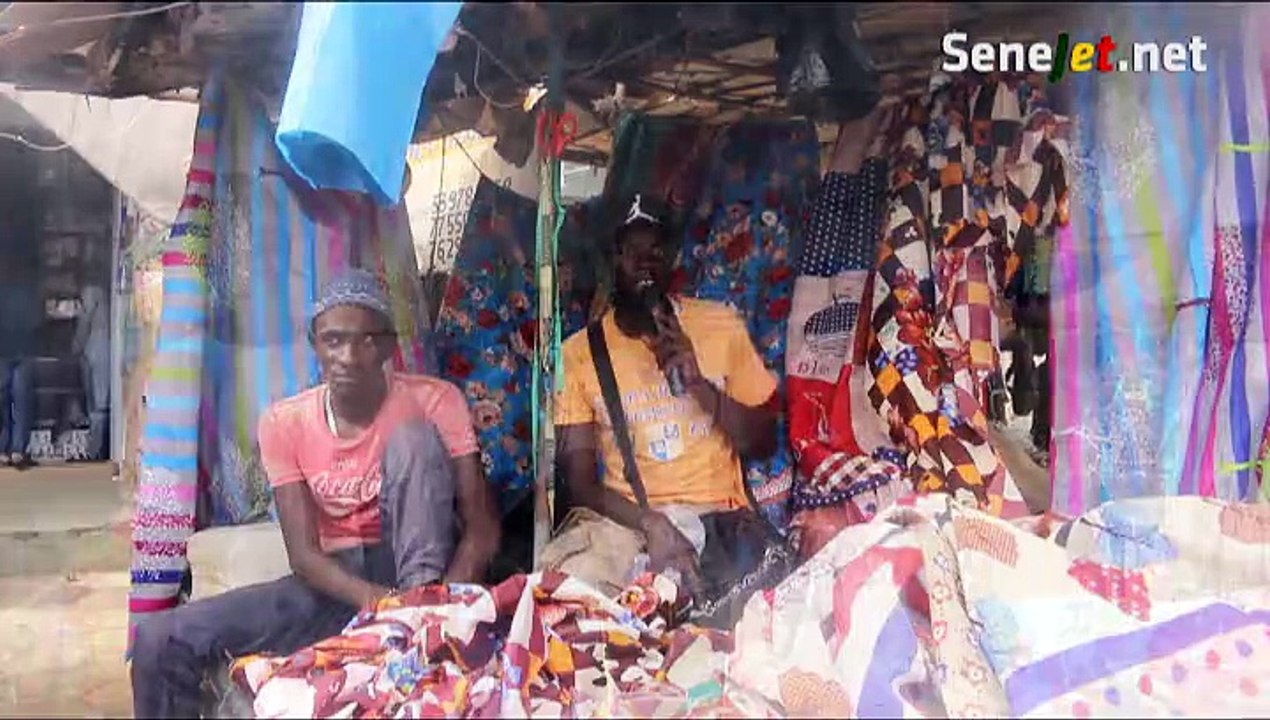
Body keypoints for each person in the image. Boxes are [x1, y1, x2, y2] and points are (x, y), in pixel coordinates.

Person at [131, 268, 500, 718]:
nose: (348, 355)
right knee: (159, 639)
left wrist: (443, 604)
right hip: (338, 583)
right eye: (333, 340)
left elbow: (481, 530)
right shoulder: (285, 423)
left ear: (387, 346)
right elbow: (304, 556)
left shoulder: (436, 400)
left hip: (422, 573)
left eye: (365, 340)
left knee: (412, 437)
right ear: (315, 345)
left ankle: (416, 626)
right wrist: (377, 603)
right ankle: (402, 622)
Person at [541, 194, 781, 601]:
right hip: (629, 526)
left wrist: (700, 387)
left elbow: (762, 443)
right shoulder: (578, 355)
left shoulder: (719, 326)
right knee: (564, 600)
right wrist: (650, 523)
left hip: (718, 520)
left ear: (672, 258)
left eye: (655, 251)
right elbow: (580, 484)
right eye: (630, 251)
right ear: (609, 260)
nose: (645, 264)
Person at [75, 281, 111, 461]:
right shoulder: (104, 289)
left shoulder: (92, 289)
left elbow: (85, 319)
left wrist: (77, 344)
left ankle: (95, 451)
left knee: (98, 403)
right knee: (98, 401)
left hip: (97, 347)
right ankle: (97, 448)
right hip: (99, 346)